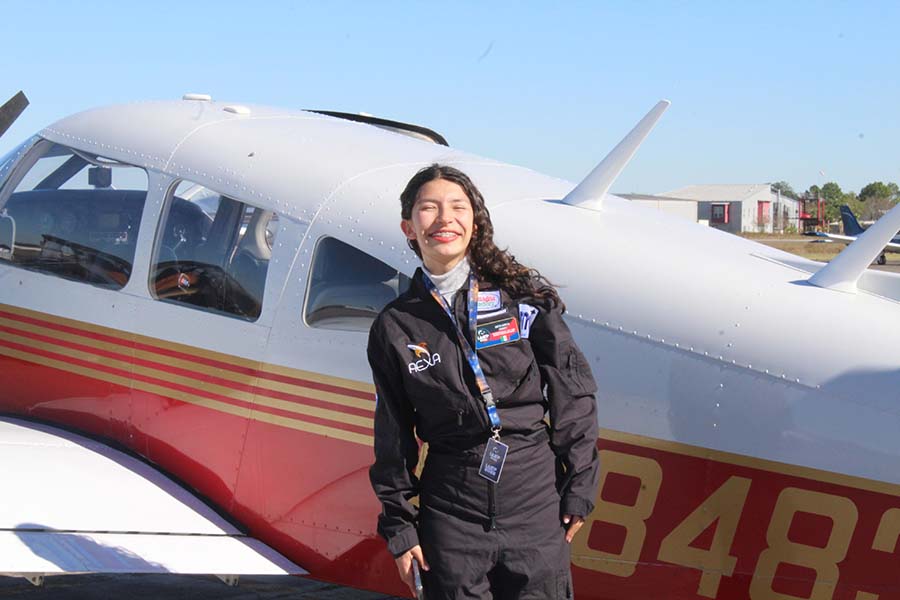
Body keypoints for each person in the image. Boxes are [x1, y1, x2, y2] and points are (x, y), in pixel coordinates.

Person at [368, 164, 599, 599]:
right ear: (409, 227)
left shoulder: (523, 296)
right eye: (429, 209)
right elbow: (393, 432)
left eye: (458, 207)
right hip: (452, 508)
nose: (444, 219)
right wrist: (400, 527)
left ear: (475, 220)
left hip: (533, 496)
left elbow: (572, 389)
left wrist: (580, 483)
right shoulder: (395, 326)